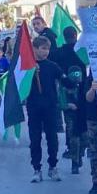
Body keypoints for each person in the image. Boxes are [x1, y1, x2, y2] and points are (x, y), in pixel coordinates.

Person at [26, 35, 64, 183]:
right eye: (43, 48)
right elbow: (19, 83)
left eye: (47, 49)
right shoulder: (27, 67)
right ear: (34, 49)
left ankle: (53, 166)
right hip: (34, 107)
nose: (46, 52)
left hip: (50, 108)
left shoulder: (52, 66)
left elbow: (64, 79)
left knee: (52, 139)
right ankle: (36, 169)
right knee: (35, 139)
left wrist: (74, 80)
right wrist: (30, 72)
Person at [52, 26, 88, 172]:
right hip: (84, 94)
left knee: (72, 128)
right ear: (75, 35)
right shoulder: (82, 51)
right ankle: (81, 152)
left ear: (64, 36)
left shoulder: (58, 53)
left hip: (66, 95)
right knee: (84, 127)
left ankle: (75, 160)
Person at [78, 67, 97, 194]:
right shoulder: (92, 75)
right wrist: (93, 89)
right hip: (95, 117)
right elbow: (88, 98)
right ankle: (96, 181)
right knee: (95, 151)